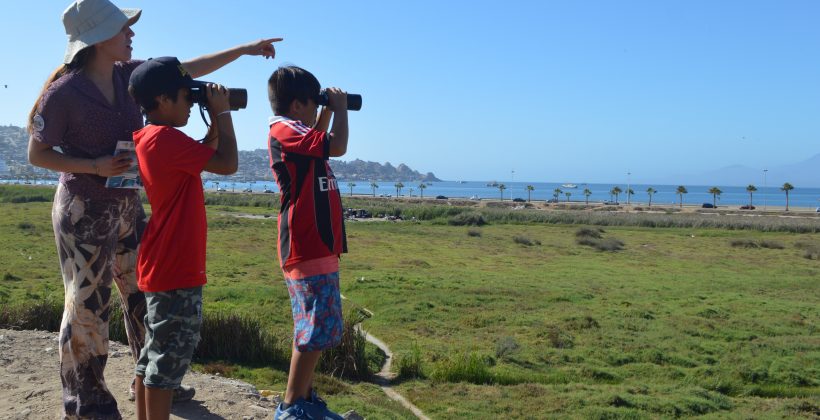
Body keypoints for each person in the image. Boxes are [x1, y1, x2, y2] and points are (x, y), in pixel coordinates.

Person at [26, 0, 280, 418]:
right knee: (88, 307)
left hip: (126, 205)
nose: (130, 33)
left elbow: (187, 69)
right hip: (84, 210)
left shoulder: (128, 75)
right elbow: (37, 153)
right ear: (96, 39)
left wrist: (245, 49)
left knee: (142, 298)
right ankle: (87, 402)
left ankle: (154, 380)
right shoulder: (64, 93)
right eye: (122, 28)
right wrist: (93, 165)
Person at [129, 56, 238, 420]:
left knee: (151, 359)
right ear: (162, 100)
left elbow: (207, 152)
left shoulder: (153, 138)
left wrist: (212, 116)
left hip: (162, 264)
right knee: (166, 365)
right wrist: (222, 112)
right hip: (175, 268)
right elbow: (227, 163)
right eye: (185, 96)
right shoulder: (165, 140)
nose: (192, 103)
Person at [267, 66, 349, 420]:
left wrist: (327, 110)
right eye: (314, 104)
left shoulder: (299, 132)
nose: (318, 110)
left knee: (319, 327)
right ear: (298, 104)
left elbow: (315, 145)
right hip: (306, 244)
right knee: (314, 329)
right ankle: (291, 407)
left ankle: (303, 397)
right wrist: (341, 108)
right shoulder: (284, 128)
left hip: (318, 245)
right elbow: (338, 146)